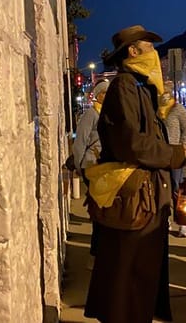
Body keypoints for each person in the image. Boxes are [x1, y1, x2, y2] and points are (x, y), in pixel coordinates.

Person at [83, 25, 186, 323]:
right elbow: (132, 143)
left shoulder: (139, 87)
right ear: (133, 51)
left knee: (138, 275)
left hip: (146, 199)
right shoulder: (125, 86)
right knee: (129, 277)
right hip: (137, 202)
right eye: (150, 47)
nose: (155, 53)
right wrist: (175, 155)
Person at [73, 79, 109, 266]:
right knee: (99, 212)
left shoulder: (108, 113)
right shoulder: (91, 114)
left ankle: (100, 253)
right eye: (105, 93)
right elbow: (80, 142)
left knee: (103, 211)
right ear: (99, 95)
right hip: (91, 165)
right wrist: (80, 167)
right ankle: (95, 256)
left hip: (104, 168)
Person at [158, 81, 186, 237]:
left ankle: (183, 223)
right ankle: (164, 221)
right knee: (161, 189)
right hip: (159, 153)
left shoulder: (178, 109)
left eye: (166, 92)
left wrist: (184, 147)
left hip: (175, 152)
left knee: (177, 189)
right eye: (161, 92)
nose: (163, 95)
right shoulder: (156, 110)